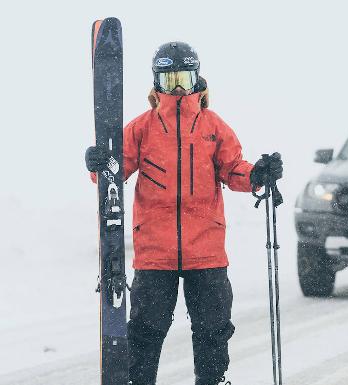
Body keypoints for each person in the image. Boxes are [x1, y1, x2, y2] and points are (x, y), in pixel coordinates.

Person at [85, 41, 283, 385]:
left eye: (185, 78)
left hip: (205, 251)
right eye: (171, 78)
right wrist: (99, 164)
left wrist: (257, 175)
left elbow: (232, 168)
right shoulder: (141, 128)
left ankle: (213, 380)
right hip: (154, 253)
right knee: (147, 330)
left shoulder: (213, 126)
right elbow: (115, 173)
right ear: (157, 82)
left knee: (213, 330)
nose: (178, 88)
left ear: (198, 79)